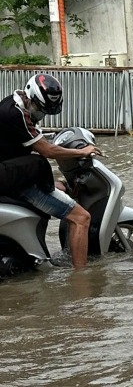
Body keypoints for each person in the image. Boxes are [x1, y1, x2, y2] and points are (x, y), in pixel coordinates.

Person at [0, 74, 100, 269]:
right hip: (14, 182)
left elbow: (32, 138)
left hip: (9, 172)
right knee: (82, 218)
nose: (41, 114)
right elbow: (47, 150)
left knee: (59, 185)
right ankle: (81, 277)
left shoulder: (12, 104)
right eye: (40, 109)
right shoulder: (17, 114)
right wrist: (82, 151)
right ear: (31, 97)